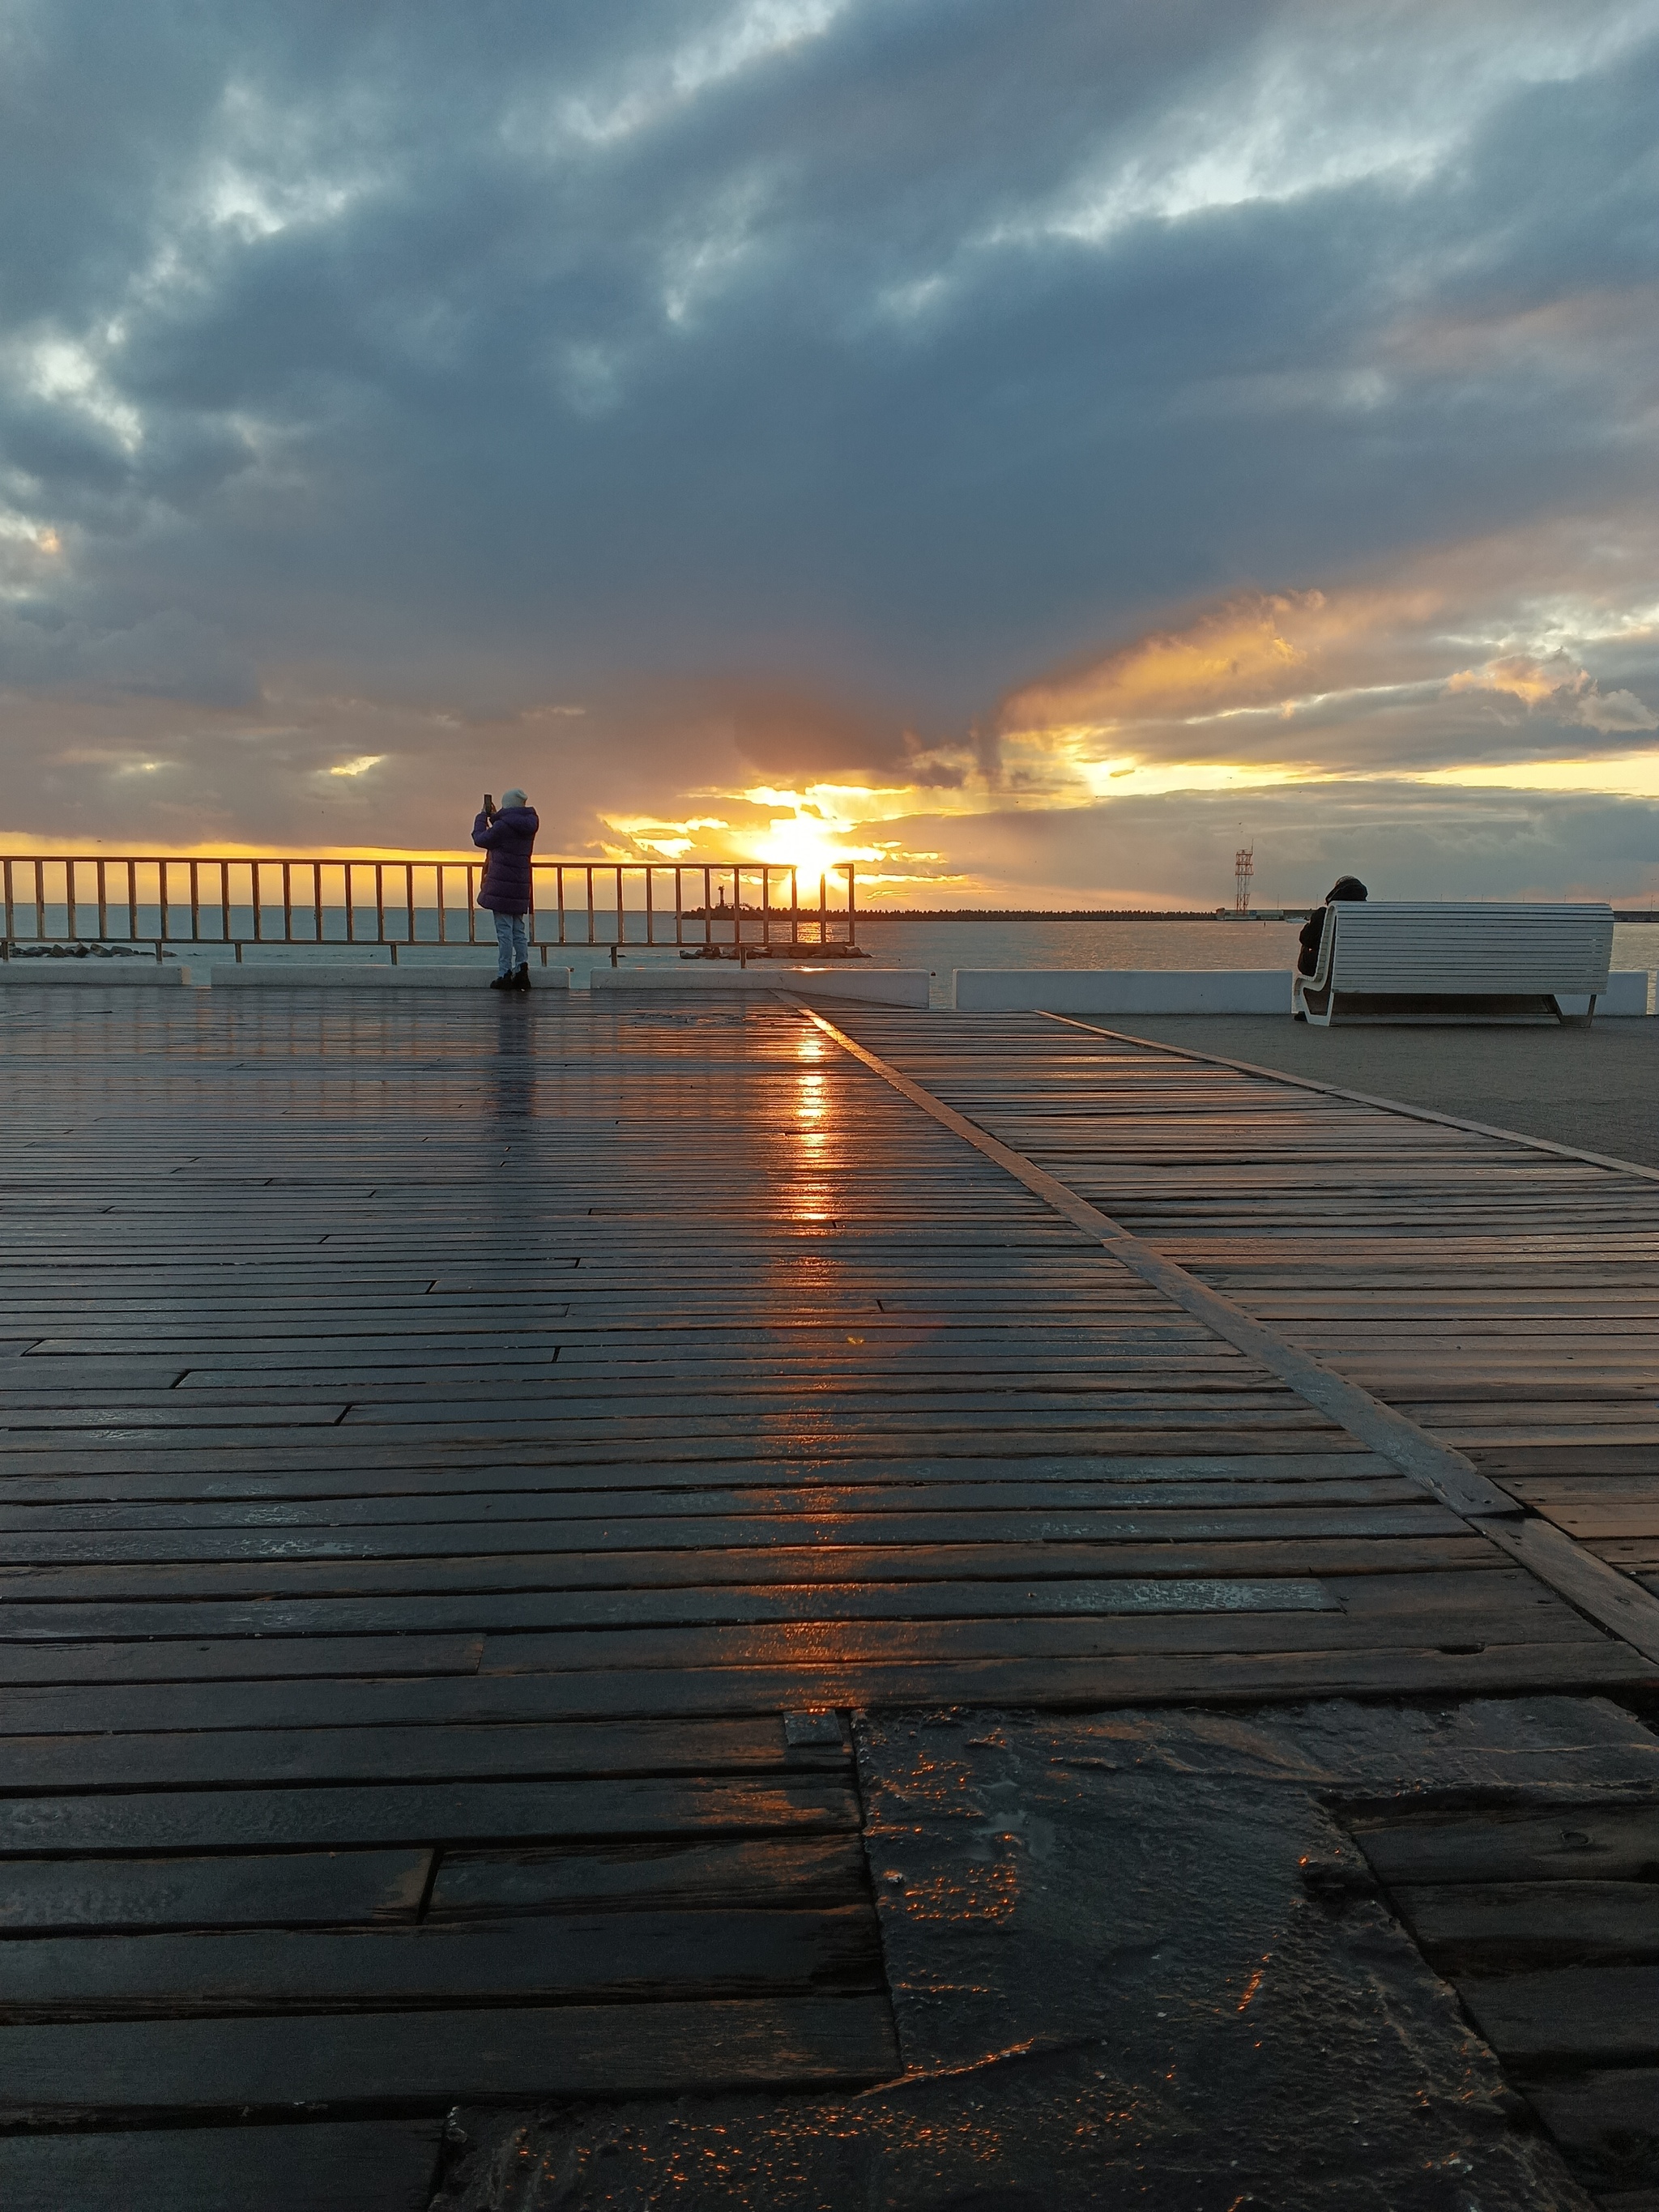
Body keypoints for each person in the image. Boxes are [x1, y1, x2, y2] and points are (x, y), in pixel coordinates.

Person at [473, 787, 539, 991]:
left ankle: (504, 973)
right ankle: (522, 971)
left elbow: (480, 839)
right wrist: (496, 818)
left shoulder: (502, 827)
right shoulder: (529, 823)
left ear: (507, 805)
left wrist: (482, 817)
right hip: (520, 884)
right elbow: (508, 828)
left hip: (502, 884)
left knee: (504, 931)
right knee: (518, 930)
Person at [1297, 875, 1367, 976]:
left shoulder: (1324, 914)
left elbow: (1305, 939)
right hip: (1363, 970)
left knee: (1308, 942)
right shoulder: (1372, 916)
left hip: (1326, 971)